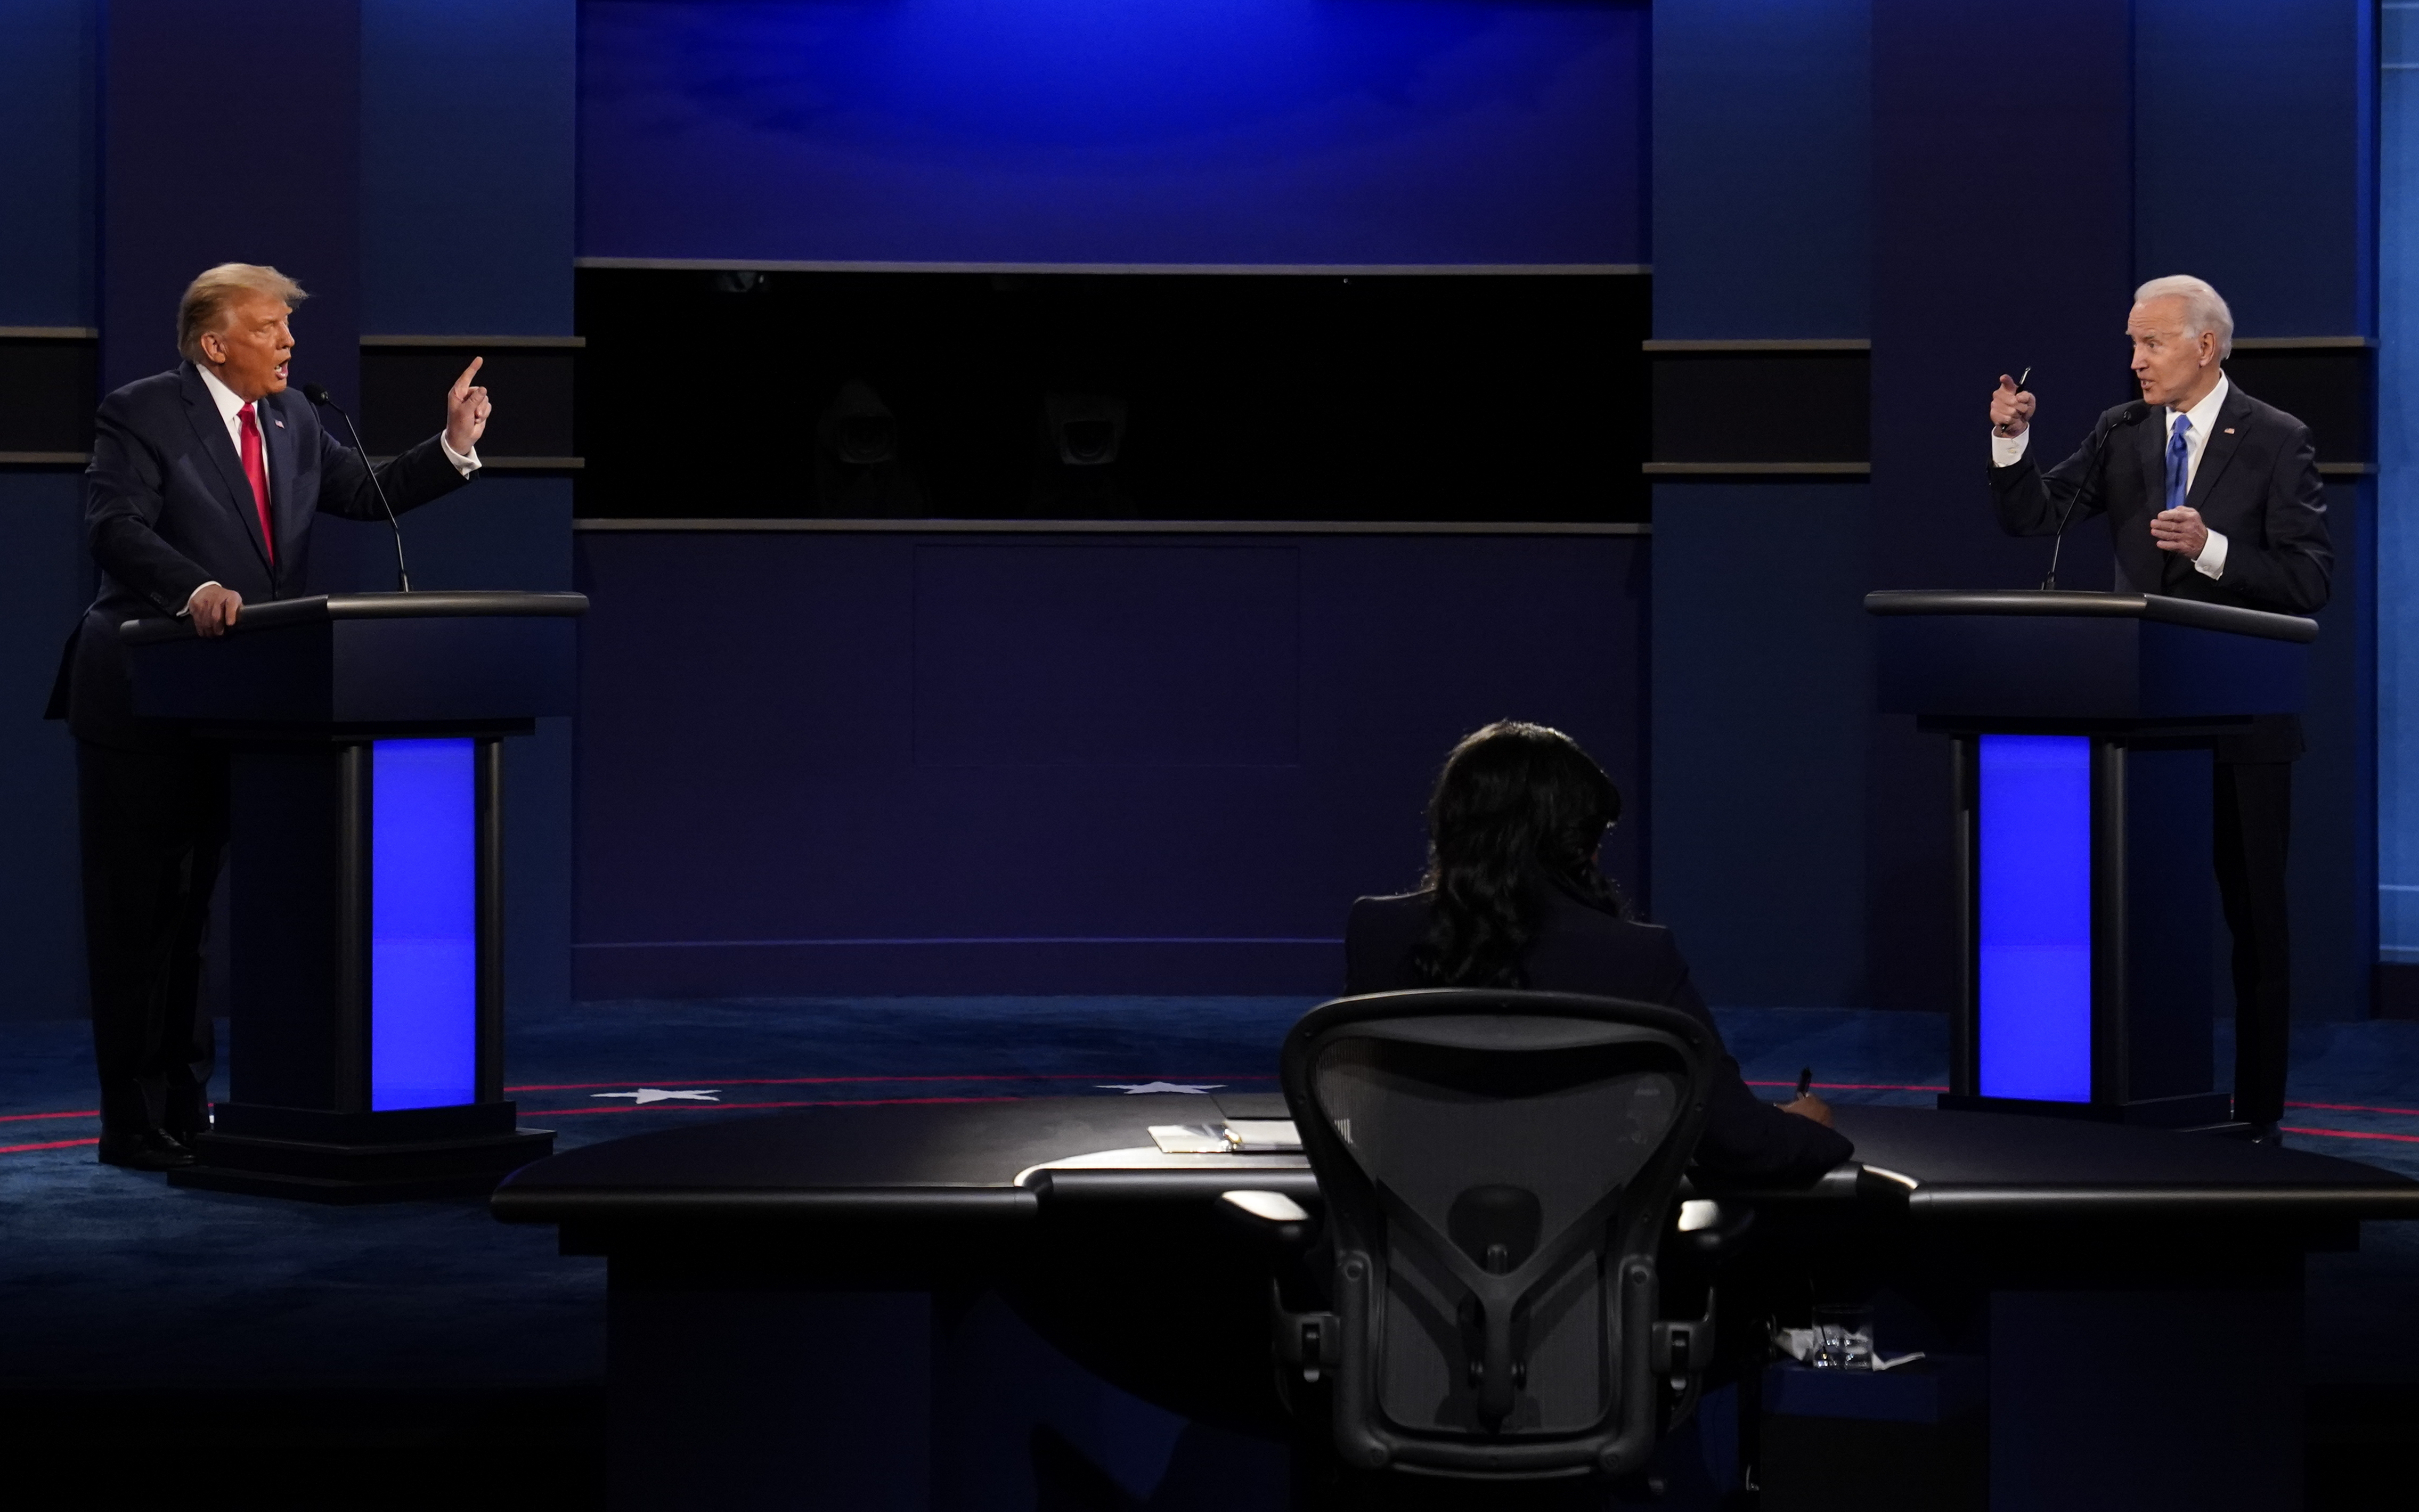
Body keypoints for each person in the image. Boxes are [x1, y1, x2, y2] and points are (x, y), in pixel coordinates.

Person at [46, 263, 494, 1171]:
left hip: (244, 700)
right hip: (143, 693)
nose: (289, 342)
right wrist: (194, 586)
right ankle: (133, 1121)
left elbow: (366, 491)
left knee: (200, 913)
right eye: (269, 326)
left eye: (288, 326)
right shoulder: (140, 412)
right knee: (142, 915)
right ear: (215, 342)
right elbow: (115, 527)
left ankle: (189, 1104)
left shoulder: (292, 422)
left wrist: (449, 445)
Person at [1986, 274, 2330, 1143]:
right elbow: (2040, 515)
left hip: (2242, 730)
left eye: (2151, 343)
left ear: (2205, 346)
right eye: (2132, 344)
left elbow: (2309, 581)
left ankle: (2258, 1114)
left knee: (2254, 926)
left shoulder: (2277, 440)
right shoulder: (2121, 431)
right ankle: (2137, 1103)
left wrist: (2211, 548)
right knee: (2134, 923)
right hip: (2139, 732)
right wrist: (2011, 440)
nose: (2135, 361)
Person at [1346, 721, 1853, 1182]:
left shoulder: (1377, 932)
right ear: (1576, 843)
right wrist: (1807, 1127)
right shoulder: (1636, 955)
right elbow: (1738, 1142)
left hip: (1404, 1264)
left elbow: (1355, 1107)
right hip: (1584, 1267)